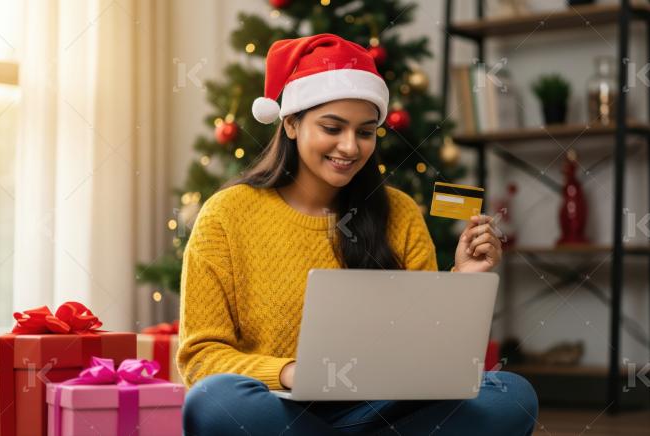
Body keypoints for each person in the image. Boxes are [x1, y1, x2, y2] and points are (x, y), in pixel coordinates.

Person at [178, 33, 538, 435]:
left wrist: (466, 279)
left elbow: (433, 353)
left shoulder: (398, 211)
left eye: (365, 132)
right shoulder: (226, 215)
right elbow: (200, 357)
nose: (350, 147)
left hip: (386, 409)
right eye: (332, 128)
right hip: (285, 411)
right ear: (291, 123)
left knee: (511, 394)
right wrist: (292, 372)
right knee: (214, 401)